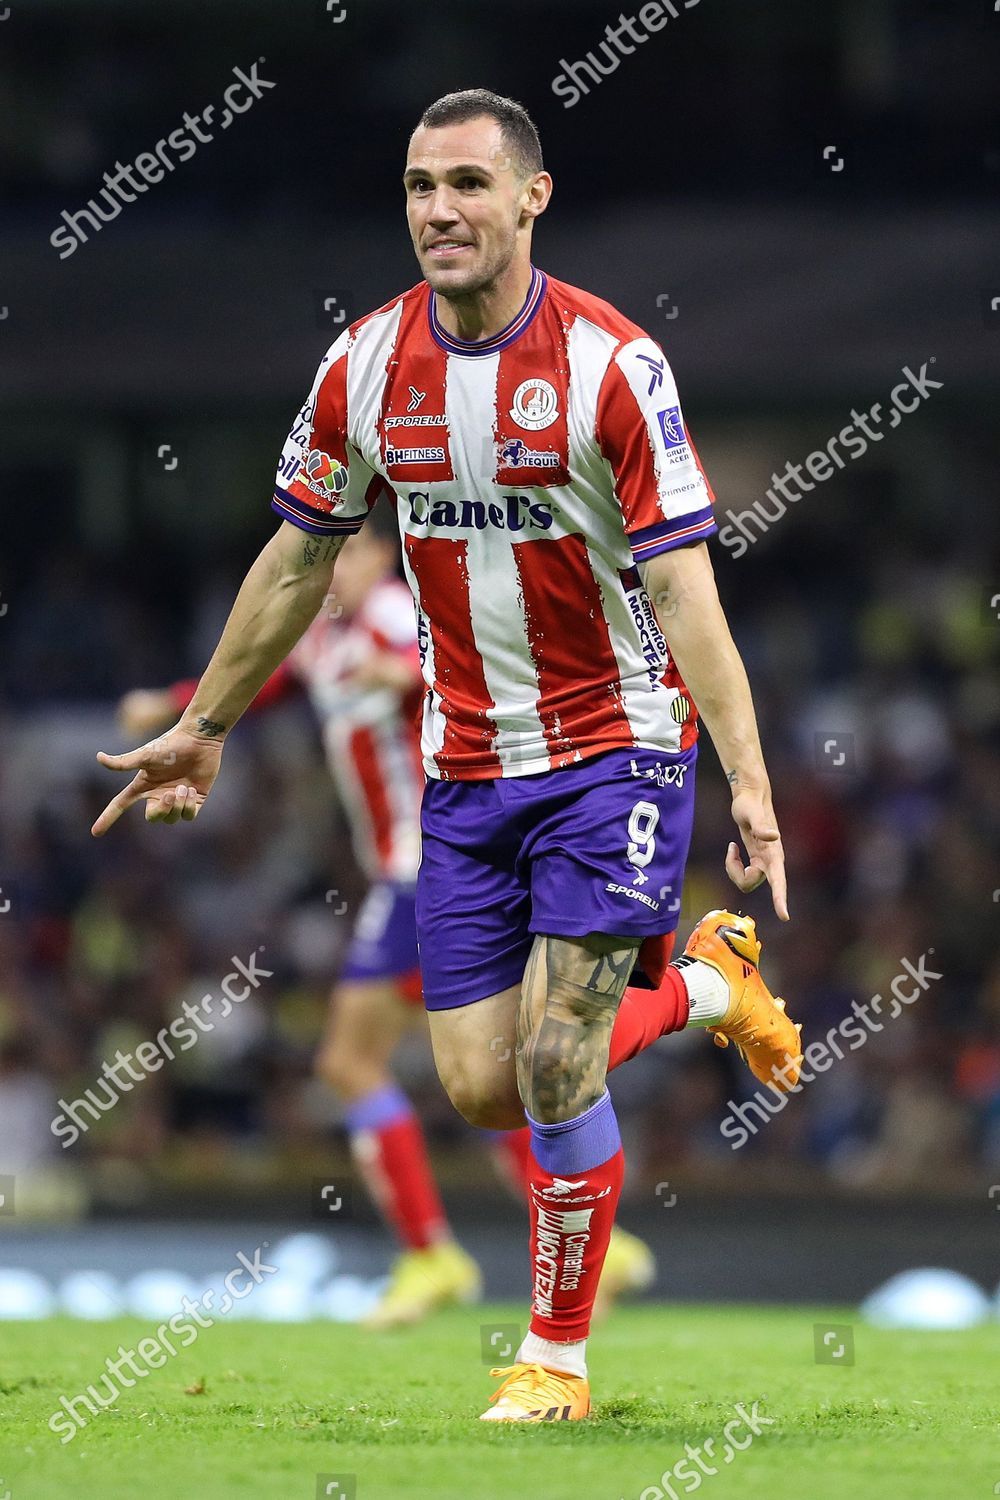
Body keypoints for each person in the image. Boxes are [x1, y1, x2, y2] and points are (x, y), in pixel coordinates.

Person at [93, 89, 803, 1422]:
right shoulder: (363, 366)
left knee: (558, 1060)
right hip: (466, 769)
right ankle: (707, 989)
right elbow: (301, 555)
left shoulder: (610, 365)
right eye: (421, 186)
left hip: (616, 746)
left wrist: (749, 776)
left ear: (533, 196)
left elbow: (687, 589)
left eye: (470, 184)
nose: (440, 211)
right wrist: (208, 724)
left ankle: (554, 1362)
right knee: (484, 1086)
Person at [116, 512, 659, 1328]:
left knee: (351, 1059)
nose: (327, 574)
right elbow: (267, 679)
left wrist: (403, 674)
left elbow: (447, 659)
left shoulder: (396, 615)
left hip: (430, 866)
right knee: (482, 1070)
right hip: (410, 871)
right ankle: (591, 1242)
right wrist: (175, 706)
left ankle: (430, 1253)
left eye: (340, 557)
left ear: (377, 555)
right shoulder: (320, 633)